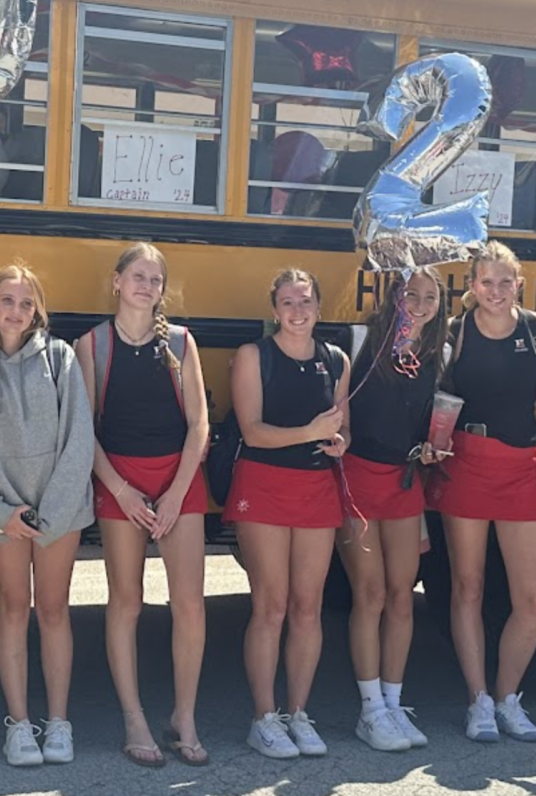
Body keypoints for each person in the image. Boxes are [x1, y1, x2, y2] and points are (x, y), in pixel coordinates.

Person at [74, 243, 211, 768]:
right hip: (119, 480)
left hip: (179, 477)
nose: (146, 286)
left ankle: (184, 716)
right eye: (137, 276)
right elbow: (84, 430)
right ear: (116, 282)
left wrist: (177, 491)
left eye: (155, 280)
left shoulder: (181, 342)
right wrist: (121, 489)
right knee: (125, 600)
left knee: (190, 604)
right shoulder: (92, 345)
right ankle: (134, 717)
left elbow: (199, 423)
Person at [425, 241, 536, 743]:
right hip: (467, 461)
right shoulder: (456, 333)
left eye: (506, 282)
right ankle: (478, 699)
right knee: (468, 587)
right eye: (487, 282)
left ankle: (508, 698)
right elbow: (439, 396)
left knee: (533, 597)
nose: (497, 291)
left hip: (523, 465)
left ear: (519, 283)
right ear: (472, 286)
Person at [224, 269, 350, 759]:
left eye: (306, 301)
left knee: (307, 607)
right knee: (270, 606)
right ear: (274, 309)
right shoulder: (256, 356)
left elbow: (343, 430)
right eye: (288, 302)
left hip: (317, 487)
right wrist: (309, 431)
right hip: (264, 485)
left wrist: (339, 442)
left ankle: (298, 713)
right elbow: (252, 431)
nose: (298, 311)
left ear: (319, 307)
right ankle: (264, 717)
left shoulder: (336, 359)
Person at [0, 264, 95, 767]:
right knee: (12, 609)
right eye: (7, 300)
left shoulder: (60, 358)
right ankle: (19, 726)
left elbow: (78, 438)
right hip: (1, 511)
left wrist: (51, 513)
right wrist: (0, 511)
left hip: (56, 512)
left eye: (26, 302)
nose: (16, 311)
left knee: (53, 610)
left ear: (37, 309)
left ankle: (58, 723)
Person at [340, 268, 446, 752]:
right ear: (393, 297)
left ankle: (393, 700)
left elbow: (431, 423)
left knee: (403, 594)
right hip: (358, 477)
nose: (420, 305)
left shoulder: (438, 354)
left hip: (405, 481)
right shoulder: (362, 339)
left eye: (430, 298)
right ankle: (370, 710)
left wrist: (432, 448)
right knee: (371, 592)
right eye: (411, 295)